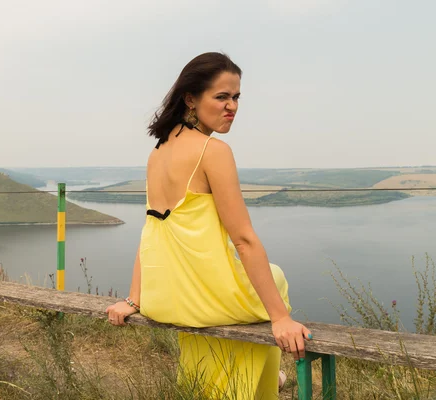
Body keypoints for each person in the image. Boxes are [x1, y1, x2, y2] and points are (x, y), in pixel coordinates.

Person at [105, 52, 311, 399]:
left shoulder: (157, 154)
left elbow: (152, 231)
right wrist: (280, 319)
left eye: (236, 97)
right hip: (202, 301)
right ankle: (261, 383)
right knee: (275, 277)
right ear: (190, 98)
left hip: (164, 299)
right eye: (221, 97)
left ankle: (243, 380)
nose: (232, 106)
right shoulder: (213, 152)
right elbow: (243, 240)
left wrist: (134, 298)